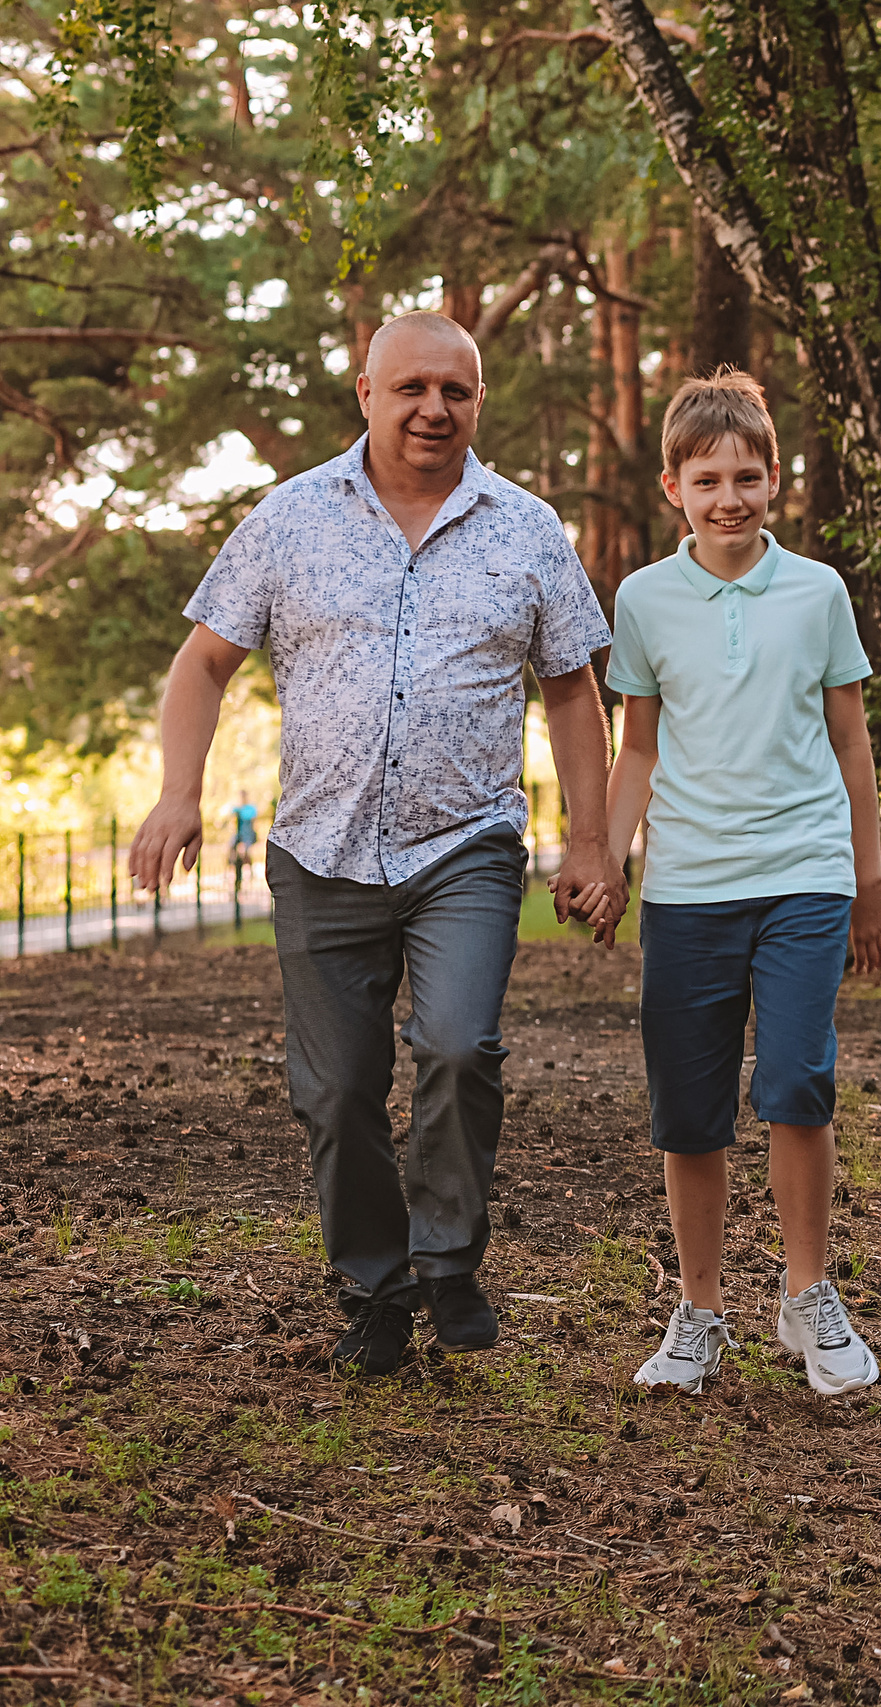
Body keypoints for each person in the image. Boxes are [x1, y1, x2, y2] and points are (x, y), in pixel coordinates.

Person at [129, 310, 622, 1377]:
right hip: (321, 855)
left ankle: (447, 1262)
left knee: (457, 1045)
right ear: (366, 392)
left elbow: (574, 689)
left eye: (456, 391)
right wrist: (179, 792)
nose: (434, 409)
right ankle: (377, 1286)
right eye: (411, 389)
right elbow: (201, 664)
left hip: (468, 847)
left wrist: (591, 843)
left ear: (478, 403)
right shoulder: (289, 518)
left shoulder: (525, 528)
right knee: (338, 1089)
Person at [566, 369, 881, 1397]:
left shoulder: (818, 591)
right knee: (690, 1109)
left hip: (803, 874)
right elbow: (638, 753)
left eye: (747, 476)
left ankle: (807, 1299)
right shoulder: (645, 599)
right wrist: (609, 859)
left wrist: (867, 878)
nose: (729, 498)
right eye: (707, 479)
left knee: (797, 1082)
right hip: (689, 887)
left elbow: (852, 746)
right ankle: (700, 1312)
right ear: (674, 487)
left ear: (776, 479)